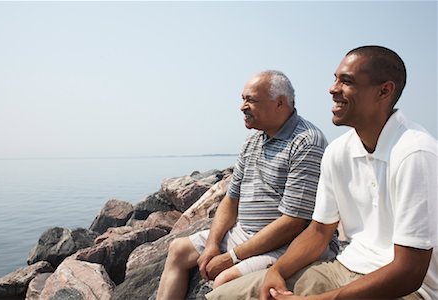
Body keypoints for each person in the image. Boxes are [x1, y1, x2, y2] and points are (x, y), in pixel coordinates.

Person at [206, 45, 437, 300]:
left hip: (407, 290)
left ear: (384, 90)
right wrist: (278, 271)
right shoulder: (338, 151)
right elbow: (318, 232)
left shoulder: (415, 153)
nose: (332, 89)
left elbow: (410, 271)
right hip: (343, 269)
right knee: (223, 296)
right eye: (335, 79)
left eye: (346, 81)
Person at [156, 70, 339, 300]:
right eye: (243, 99)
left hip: (288, 243)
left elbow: (293, 222)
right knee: (178, 249)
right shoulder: (253, 139)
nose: (242, 106)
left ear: (280, 103)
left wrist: (231, 257)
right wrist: (213, 244)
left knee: (224, 280)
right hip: (246, 234)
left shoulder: (306, 142)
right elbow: (231, 200)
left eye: (251, 100)